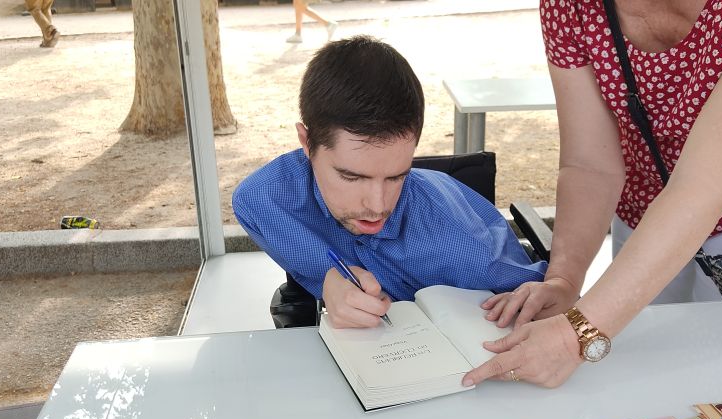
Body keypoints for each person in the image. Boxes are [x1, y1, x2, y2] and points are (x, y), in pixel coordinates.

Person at [462, 0, 722, 388]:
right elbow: (589, 164)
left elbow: (701, 189)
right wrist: (565, 279)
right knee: (648, 367)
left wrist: (576, 334)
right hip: (646, 195)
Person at [232, 35, 547, 329]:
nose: (378, 206)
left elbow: (543, 298)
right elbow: (248, 202)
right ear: (306, 142)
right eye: (351, 176)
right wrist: (325, 277)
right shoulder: (267, 198)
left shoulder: (463, 247)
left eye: (397, 176)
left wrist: (536, 301)